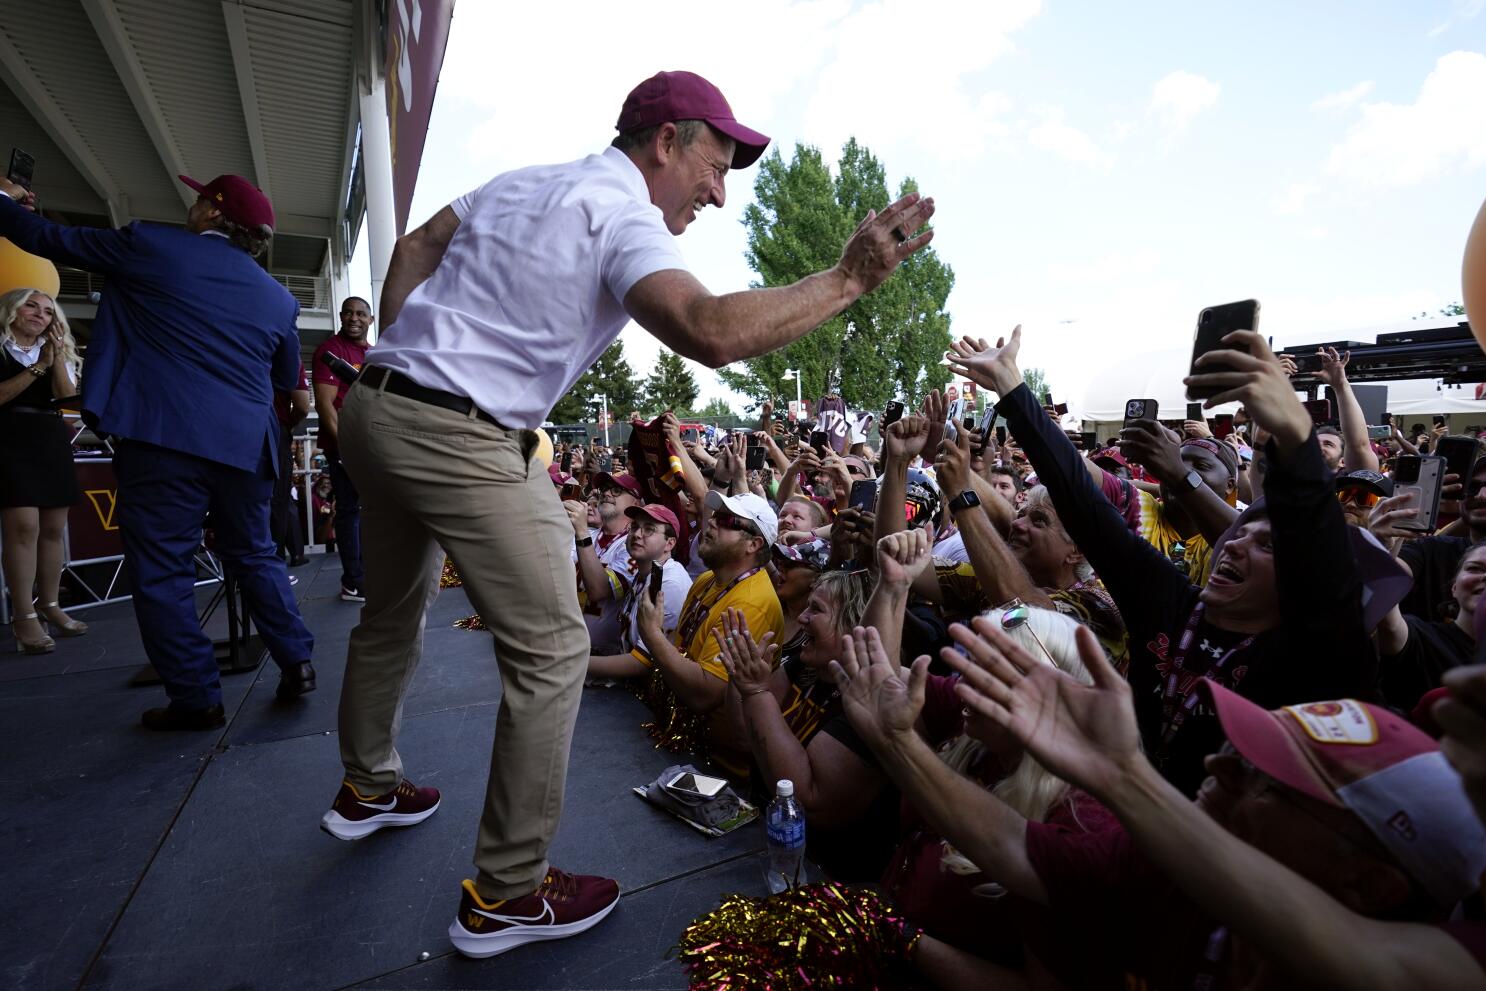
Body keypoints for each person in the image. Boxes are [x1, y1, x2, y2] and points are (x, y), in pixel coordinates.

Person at [321, 68, 934, 958]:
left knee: (389, 611)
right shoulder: (622, 214)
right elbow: (712, 331)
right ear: (666, 143)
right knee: (555, 646)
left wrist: (415, 353)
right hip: (463, 429)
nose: (719, 194)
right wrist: (847, 279)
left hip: (380, 408)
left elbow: (413, 248)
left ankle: (366, 785)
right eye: (715, 166)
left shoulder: (522, 182)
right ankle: (507, 894)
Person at [937, 611, 1486, 989]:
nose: (1216, 767)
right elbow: (1016, 847)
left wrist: (1124, 777)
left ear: (1367, 883)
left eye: (1261, 778)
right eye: (1235, 750)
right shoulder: (1169, 876)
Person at [948, 326, 1376, 795]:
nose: (1233, 545)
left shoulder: (1310, 656)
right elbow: (1080, 502)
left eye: (1267, 545)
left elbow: (1329, 572)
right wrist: (1012, 387)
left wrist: (1296, 440)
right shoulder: (1172, 602)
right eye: (1239, 533)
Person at [0, 173, 316, 727]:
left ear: (214, 215)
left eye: (200, 200)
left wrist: (6, 200)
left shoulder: (152, 245)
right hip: (247, 444)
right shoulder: (279, 298)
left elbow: (46, 239)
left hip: (164, 436)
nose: (191, 207)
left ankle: (197, 699)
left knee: (165, 570)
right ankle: (298, 661)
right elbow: (290, 379)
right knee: (256, 554)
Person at [0, 289, 85, 652]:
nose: (40, 314)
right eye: (31, 306)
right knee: (23, 527)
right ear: (12, 311)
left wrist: (53, 358)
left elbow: (66, 397)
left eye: (48, 311)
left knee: (53, 528)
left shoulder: (55, 352)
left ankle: (51, 606)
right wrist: (36, 368)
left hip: (49, 437)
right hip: (7, 438)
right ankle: (23, 617)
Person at [312, 297, 372, 601]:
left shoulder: (373, 354)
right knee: (350, 510)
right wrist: (346, 448)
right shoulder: (331, 350)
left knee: (374, 512)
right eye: (348, 313)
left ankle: (370, 574)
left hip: (371, 447)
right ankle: (354, 582)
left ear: (370, 320)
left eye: (361, 314)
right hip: (345, 447)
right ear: (340, 315)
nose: (354, 318)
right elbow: (325, 405)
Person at [1376, 543, 1486, 711]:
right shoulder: (1422, 637)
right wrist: (1381, 552)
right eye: (1474, 568)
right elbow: (1389, 623)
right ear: (1454, 588)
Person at [587, 503, 692, 678]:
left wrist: (576, 662)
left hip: (646, 698)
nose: (637, 534)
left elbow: (642, 663)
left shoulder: (669, 583)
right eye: (634, 527)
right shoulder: (647, 572)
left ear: (669, 543)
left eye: (649, 530)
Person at [271, 361, 311, 567]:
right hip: (275, 428)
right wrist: (287, 425)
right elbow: (303, 405)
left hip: (232, 430)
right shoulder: (285, 350)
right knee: (280, 503)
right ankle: (274, 568)